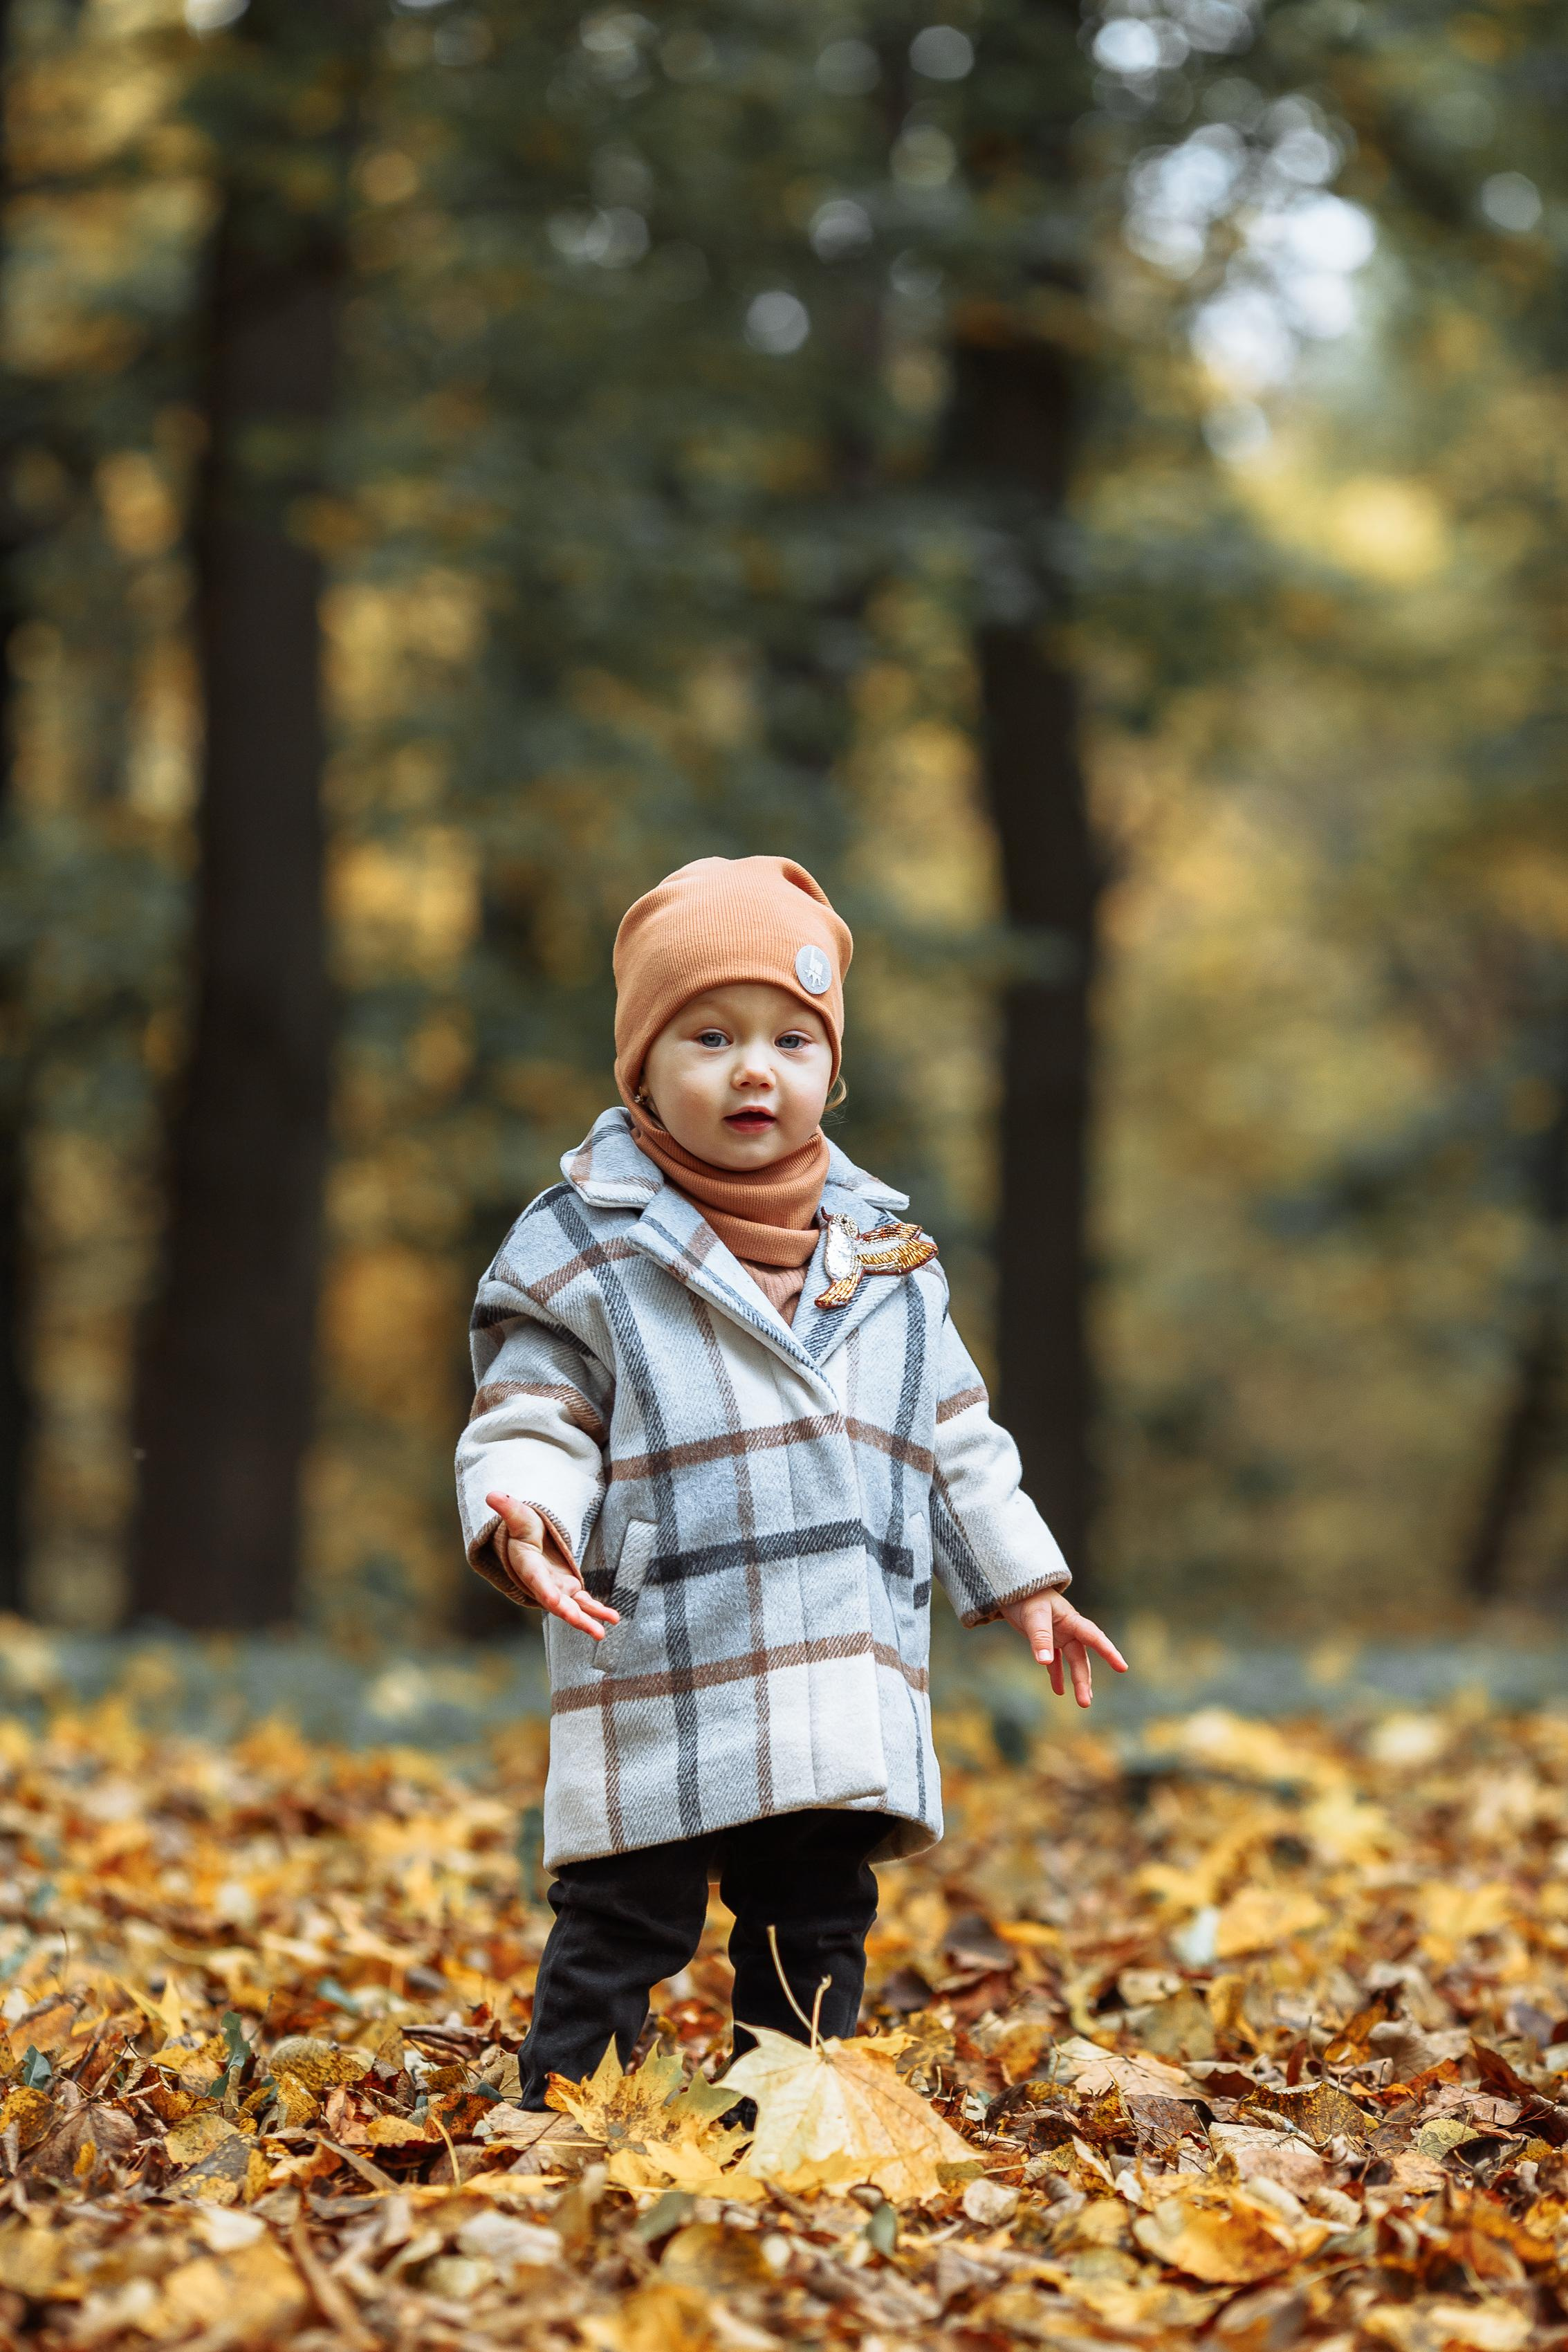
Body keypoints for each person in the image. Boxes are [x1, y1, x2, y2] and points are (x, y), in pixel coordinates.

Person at [455, 855, 1127, 2106]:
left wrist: (1026, 1577)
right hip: (668, 1641)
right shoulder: (584, 1241)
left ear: (830, 1066)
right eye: (709, 1036)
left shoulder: (887, 1252)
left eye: (790, 1040)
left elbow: (956, 1430)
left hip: (833, 1650)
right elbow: (534, 1406)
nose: (753, 1069)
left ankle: (794, 2109)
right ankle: (563, 2119)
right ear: (643, 1068)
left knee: (814, 1917)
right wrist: (530, 1518)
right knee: (626, 1918)